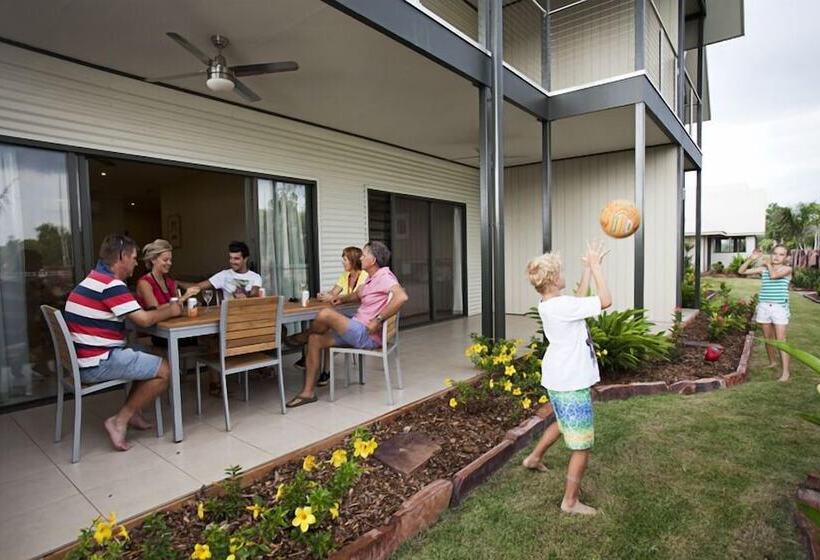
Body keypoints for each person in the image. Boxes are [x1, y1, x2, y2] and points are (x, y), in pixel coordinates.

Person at [64, 234, 183, 451]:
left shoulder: (93, 279)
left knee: (146, 354)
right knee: (164, 370)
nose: (136, 263)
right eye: (134, 258)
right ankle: (120, 420)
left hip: (86, 358)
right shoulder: (111, 285)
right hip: (97, 363)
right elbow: (145, 320)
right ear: (122, 256)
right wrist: (173, 310)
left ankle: (134, 410)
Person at [520, 240, 612, 516]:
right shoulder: (561, 307)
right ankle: (570, 501)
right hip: (570, 382)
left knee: (562, 423)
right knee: (582, 443)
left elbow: (579, 300)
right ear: (553, 279)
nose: (564, 275)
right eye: (560, 272)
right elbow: (605, 300)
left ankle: (534, 458)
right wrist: (596, 268)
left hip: (558, 379)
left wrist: (585, 271)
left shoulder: (552, 304)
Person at [286, 241, 408, 407]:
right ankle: (308, 392)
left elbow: (401, 297)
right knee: (315, 339)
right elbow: (358, 294)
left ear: (372, 260)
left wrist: (378, 320)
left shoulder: (384, 277)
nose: (361, 258)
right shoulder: (373, 278)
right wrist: (340, 298)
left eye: (363, 255)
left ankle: (302, 337)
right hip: (357, 328)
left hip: (367, 334)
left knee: (325, 314)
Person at [291, 246, 369, 385]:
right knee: (325, 326)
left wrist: (336, 297)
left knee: (327, 327)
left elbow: (358, 297)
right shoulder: (345, 275)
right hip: (342, 315)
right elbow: (334, 292)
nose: (343, 263)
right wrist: (325, 295)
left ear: (353, 260)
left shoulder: (364, 275)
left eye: (345, 259)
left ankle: (308, 345)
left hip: (357, 319)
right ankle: (324, 371)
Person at [739, 245, 792, 381]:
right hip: (764, 306)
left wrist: (768, 264)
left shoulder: (787, 269)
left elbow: (774, 276)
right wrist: (752, 258)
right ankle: (773, 362)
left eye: (781, 254)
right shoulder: (763, 269)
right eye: (775, 253)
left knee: (781, 340)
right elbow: (741, 271)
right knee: (768, 338)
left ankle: (785, 372)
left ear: (786, 257)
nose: (776, 257)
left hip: (779, 308)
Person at [136, 238, 200, 311]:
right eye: (165, 260)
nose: (170, 263)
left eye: (170, 260)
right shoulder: (144, 283)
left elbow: (178, 307)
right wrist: (184, 297)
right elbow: (155, 310)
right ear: (153, 260)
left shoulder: (170, 282)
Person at [196, 241, 263, 300]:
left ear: (245, 259)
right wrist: (186, 287)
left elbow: (254, 294)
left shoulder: (255, 277)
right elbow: (197, 287)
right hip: (229, 312)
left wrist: (245, 295)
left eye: (236, 258)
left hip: (250, 312)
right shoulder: (224, 275)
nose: (232, 262)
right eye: (230, 258)